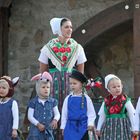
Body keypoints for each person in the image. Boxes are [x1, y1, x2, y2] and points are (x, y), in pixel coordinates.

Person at [38, 17, 87, 109]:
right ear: (59, 29)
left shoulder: (77, 48)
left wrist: (78, 87)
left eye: (71, 27)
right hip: (53, 86)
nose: (70, 29)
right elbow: (43, 73)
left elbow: (80, 73)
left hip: (71, 84)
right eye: (66, 27)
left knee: (71, 110)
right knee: (54, 112)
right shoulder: (47, 48)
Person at [96, 74, 135, 140]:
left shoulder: (125, 100)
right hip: (108, 128)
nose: (117, 88)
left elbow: (131, 115)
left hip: (122, 128)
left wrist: (134, 128)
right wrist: (99, 128)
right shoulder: (106, 101)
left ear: (122, 86)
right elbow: (102, 116)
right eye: (114, 87)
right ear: (108, 89)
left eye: (118, 86)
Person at [60, 69, 97, 140]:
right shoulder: (68, 98)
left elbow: (91, 113)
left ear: (81, 84)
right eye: (70, 84)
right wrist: (63, 127)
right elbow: (64, 114)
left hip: (83, 127)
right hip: (70, 127)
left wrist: (90, 124)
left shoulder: (86, 98)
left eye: (74, 83)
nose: (72, 86)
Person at [27, 71, 60, 140]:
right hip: (36, 131)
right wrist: (37, 124)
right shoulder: (33, 102)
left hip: (48, 129)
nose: (46, 89)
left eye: (48, 87)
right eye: (43, 87)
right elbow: (30, 116)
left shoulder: (53, 101)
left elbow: (57, 114)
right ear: (38, 88)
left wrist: (55, 120)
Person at [0, 75, 19, 140]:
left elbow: (16, 117)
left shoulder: (12, 103)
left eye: (4, 88)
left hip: (8, 130)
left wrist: (15, 129)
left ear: (10, 89)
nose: (1, 90)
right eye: (0, 88)